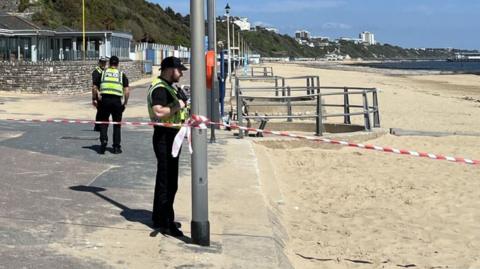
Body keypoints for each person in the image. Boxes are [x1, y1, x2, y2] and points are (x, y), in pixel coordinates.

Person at [147, 56, 188, 236]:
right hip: (165, 137)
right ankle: (166, 222)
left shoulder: (168, 87)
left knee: (166, 179)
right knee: (168, 181)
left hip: (171, 136)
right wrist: (178, 105)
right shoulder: (160, 88)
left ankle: (160, 217)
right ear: (170, 69)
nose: (181, 74)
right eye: (179, 70)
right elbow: (158, 111)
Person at [93, 56, 130, 154]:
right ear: (117, 64)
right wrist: (125, 103)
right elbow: (126, 91)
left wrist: (94, 98)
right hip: (117, 101)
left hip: (104, 100)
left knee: (104, 122)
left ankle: (103, 141)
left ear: (109, 63)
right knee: (117, 124)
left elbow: (94, 87)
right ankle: (116, 147)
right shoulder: (121, 74)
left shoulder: (103, 73)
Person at [92, 57, 108, 132]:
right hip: (98, 93)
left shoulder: (104, 71)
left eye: (105, 62)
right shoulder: (96, 72)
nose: (104, 64)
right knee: (100, 110)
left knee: (101, 110)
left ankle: (98, 125)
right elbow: (94, 85)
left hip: (104, 93)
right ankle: (98, 126)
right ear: (99, 62)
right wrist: (94, 97)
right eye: (102, 62)